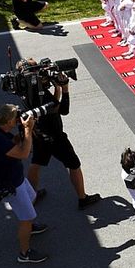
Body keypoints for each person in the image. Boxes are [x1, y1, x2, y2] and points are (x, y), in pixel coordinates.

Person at [20, 62, 101, 211]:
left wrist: (55, 87)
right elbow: (62, 109)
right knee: (74, 165)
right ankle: (82, 198)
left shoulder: (26, 89)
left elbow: (51, 105)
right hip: (55, 135)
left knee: (36, 164)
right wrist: (65, 88)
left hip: (38, 133)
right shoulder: (38, 91)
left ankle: (32, 196)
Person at [0, 104, 49, 263]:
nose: (16, 119)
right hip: (11, 184)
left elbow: (13, 142)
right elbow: (24, 153)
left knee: (32, 197)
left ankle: (30, 227)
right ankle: (25, 253)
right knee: (27, 216)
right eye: (14, 119)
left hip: (16, 177)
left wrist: (23, 131)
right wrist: (28, 130)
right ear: (5, 122)